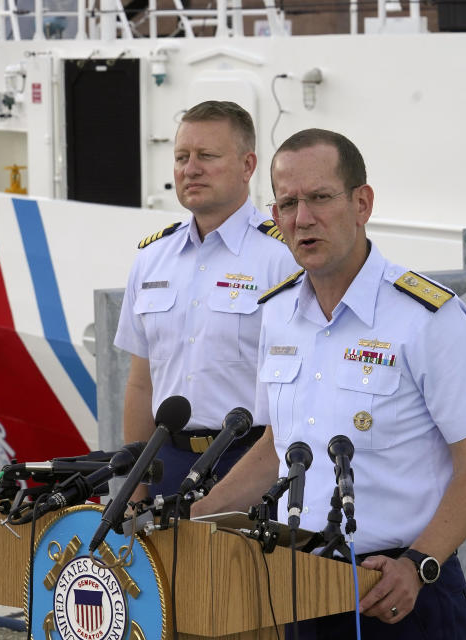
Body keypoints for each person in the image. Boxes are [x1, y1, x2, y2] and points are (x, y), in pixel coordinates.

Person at [193, 128, 466, 639]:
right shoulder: (276, 315)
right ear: (275, 217)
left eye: (320, 198)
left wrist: (420, 563)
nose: (304, 218)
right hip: (299, 583)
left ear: (362, 203)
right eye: (289, 203)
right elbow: (277, 444)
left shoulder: (428, 317)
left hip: (399, 591)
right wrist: (194, 519)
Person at [114, 101, 299, 501]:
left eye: (207, 156)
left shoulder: (283, 258)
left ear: (248, 166)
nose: (190, 169)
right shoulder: (150, 259)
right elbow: (141, 384)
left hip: (253, 460)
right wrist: (135, 485)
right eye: (182, 157)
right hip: (168, 461)